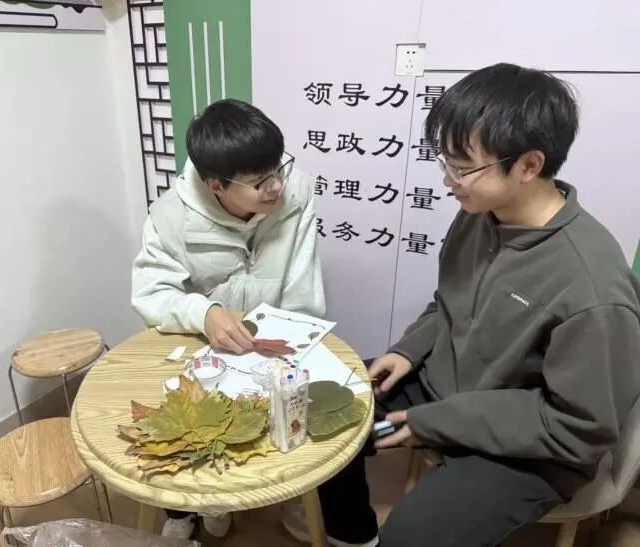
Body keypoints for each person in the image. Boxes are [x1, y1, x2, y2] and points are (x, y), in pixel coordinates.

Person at [282, 63, 640, 547]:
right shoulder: (482, 213)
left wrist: (436, 424)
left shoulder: (591, 289)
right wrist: (408, 351)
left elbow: (579, 428)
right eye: (445, 163)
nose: (449, 181)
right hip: (442, 389)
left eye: (463, 168)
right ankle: (352, 533)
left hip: (531, 449)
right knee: (319, 410)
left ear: (529, 165)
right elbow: (449, 302)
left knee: (412, 536)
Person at [132, 98, 325, 539]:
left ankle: (231, 498)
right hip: (202, 346)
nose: (276, 186)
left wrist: (291, 343)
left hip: (267, 347)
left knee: (271, 425)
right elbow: (152, 295)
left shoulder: (295, 192)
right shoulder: (170, 217)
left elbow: (302, 286)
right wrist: (204, 313)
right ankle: (182, 511)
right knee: (184, 425)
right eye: (260, 182)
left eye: (279, 169)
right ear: (216, 185)